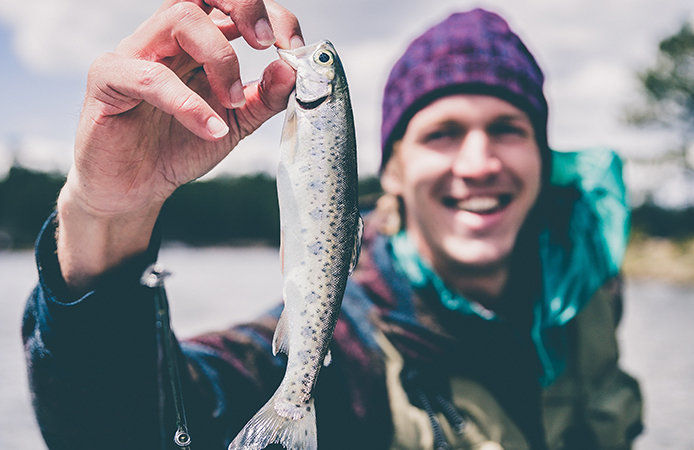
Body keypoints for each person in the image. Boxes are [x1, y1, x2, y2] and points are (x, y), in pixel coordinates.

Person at [22, 1, 643, 448]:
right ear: (392, 170)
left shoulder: (585, 297)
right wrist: (107, 217)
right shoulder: (349, 355)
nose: (478, 164)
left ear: (543, 156)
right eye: (443, 134)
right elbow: (119, 430)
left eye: (508, 129)